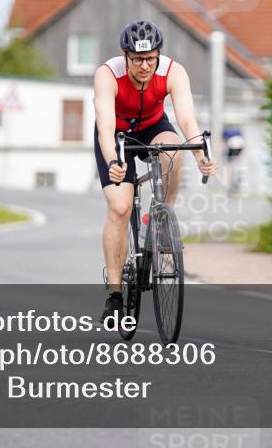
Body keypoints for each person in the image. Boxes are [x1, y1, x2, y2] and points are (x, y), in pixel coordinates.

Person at [94, 21, 216, 323]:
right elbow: (106, 130)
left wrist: (201, 154)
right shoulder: (107, 75)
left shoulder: (174, 72)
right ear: (125, 56)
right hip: (118, 136)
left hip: (153, 127)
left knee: (174, 150)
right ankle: (114, 294)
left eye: (151, 59)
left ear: (159, 55)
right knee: (120, 208)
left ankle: (162, 219)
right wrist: (113, 161)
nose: (145, 66)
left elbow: (187, 122)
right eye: (137, 59)